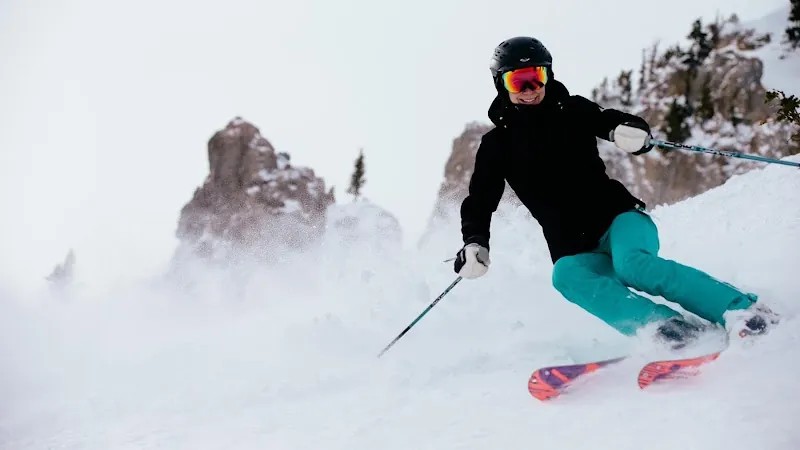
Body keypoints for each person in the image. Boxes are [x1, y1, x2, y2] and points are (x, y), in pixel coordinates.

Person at [452, 36, 779, 348]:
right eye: (517, 81)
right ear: (501, 84)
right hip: (574, 246)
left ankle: (741, 310)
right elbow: (480, 200)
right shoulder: (496, 146)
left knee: (633, 266)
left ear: (548, 76)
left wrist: (628, 130)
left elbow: (608, 120)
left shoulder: (573, 110)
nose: (529, 90)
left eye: (536, 78)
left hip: (620, 219)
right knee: (566, 276)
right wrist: (475, 242)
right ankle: (669, 331)